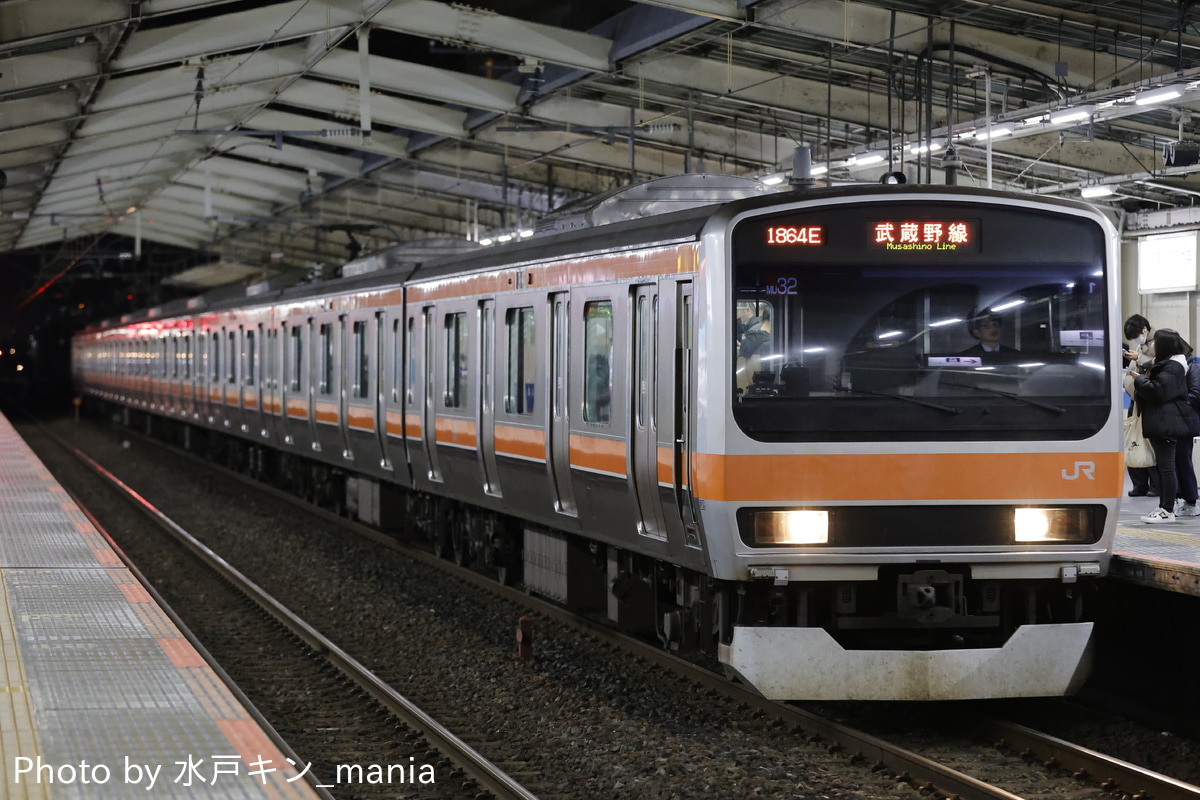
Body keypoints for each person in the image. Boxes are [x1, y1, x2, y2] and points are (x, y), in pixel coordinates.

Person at [1132, 328, 1197, 523]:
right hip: (1162, 421)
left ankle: (1167, 510)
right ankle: (1164, 507)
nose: (1152, 346)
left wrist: (1140, 380)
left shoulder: (1173, 367)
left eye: (1155, 343)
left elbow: (1159, 392)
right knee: (1164, 467)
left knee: (1167, 468)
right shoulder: (1168, 365)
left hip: (1167, 423)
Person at [1123, 314, 1158, 497]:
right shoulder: (1139, 346)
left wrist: (1140, 358)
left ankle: (1155, 485)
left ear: (1145, 329)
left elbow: (1158, 367)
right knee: (1132, 439)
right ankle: (1139, 484)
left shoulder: (1157, 344)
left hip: (1149, 401)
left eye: (1136, 334)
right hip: (1135, 399)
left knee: (1151, 443)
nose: (1136, 339)